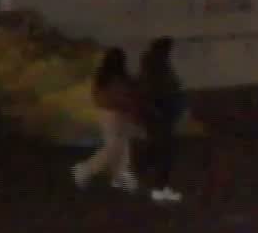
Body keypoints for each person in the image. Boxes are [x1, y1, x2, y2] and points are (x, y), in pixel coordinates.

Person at [71, 47, 139, 192]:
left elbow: (99, 97)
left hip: (112, 113)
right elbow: (126, 95)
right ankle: (86, 169)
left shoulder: (104, 76)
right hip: (114, 113)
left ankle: (119, 176)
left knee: (121, 146)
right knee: (114, 147)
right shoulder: (119, 77)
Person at [138, 37, 186, 204]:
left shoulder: (152, 65)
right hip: (160, 111)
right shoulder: (156, 67)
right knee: (164, 150)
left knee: (159, 146)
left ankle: (146, 171)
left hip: (159, 111)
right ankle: (160, 186)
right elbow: (155, 90)